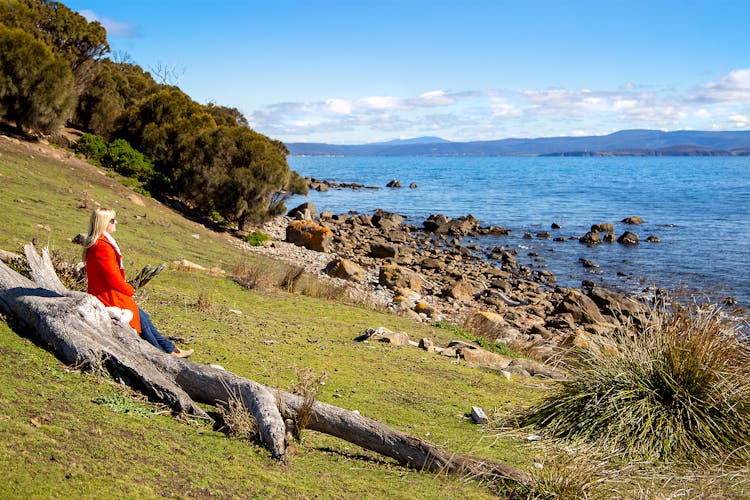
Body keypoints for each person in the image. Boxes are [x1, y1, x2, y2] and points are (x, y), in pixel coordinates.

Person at [82, 208, 193, 358]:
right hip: (107, 295)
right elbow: (112, 277)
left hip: (108, 292)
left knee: (143, 317)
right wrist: (129, 290)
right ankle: (161, 354)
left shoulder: (100, 243)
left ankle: (170, 350)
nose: (116, 222)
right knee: (142, 320)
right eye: (113, 220)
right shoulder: (102, 246)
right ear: (103, 223)